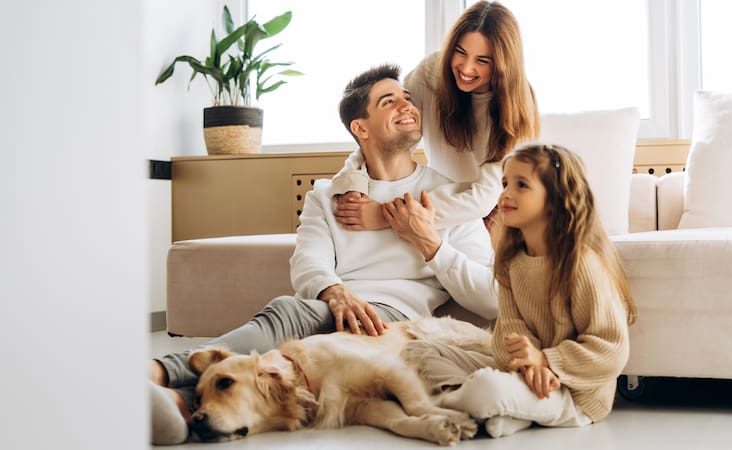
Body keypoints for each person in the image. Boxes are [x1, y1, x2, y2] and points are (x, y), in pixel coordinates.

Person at [147, 63, 498, 445]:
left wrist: (430, 244)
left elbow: (489, 296)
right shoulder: (329, 195)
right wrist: (335, 291)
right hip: (326, 308)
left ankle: (161, 378)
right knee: (280, 357)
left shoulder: (450, 197)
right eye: (389, 101)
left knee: (289, 322)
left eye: (408, 99)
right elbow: (308, 262)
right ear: (360, 128)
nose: (408, 106)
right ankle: (177, 403)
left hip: (393, 321)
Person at [401, 144, 637, 438]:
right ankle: (503, 412)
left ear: (555, 199)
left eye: (521, 185)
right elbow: (509, 330)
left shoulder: (583, 264)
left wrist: (546, 361)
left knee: (486, 389)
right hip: (525, 376)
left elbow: (611, 349)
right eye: (504, 184)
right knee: (416, 351)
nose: (505, 195)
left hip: (576, 395)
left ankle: (450, 405)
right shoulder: (513, 261)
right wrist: (527, 363)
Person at [331, 0, 539, 234]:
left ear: (503, 65)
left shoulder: (516, 104)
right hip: (437, 196)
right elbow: (386, 138)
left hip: (494, 209)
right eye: (460, 52)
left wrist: (387, 215)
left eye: (482, 61)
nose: (466, 68)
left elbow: (483, 198)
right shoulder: (432, 73)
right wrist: (351, 182)